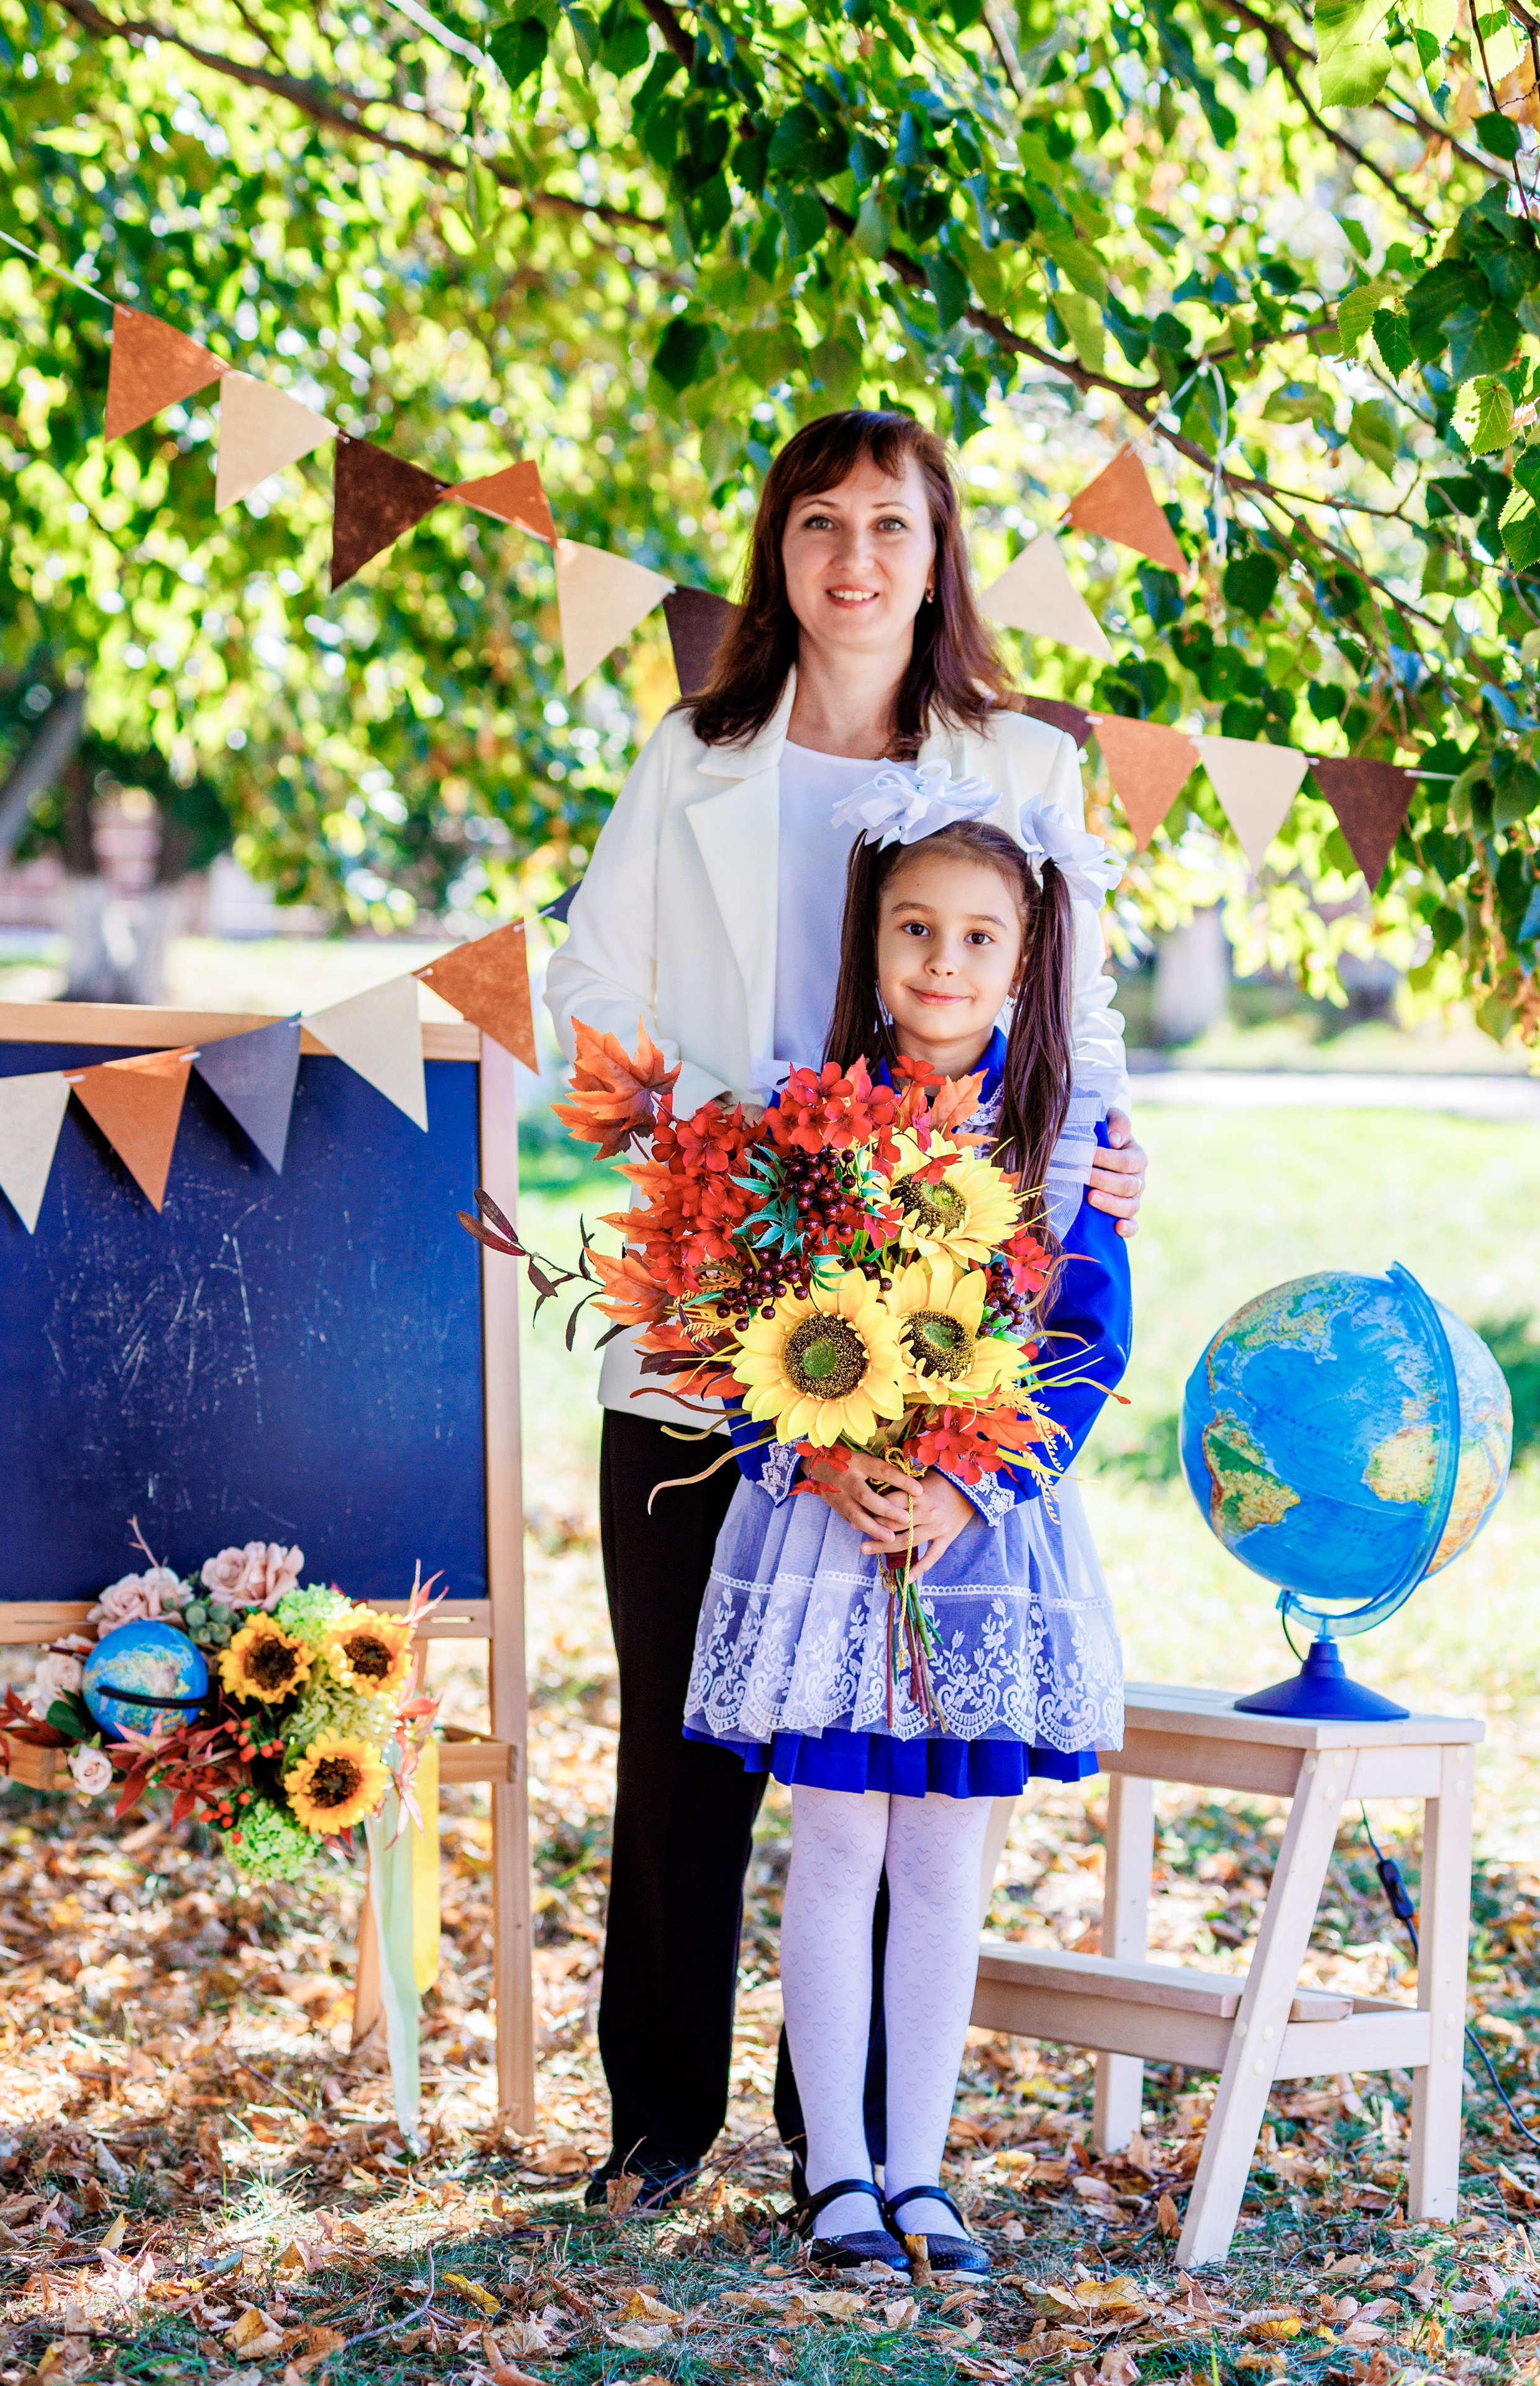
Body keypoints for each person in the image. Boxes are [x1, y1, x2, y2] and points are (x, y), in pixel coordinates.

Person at [544, 408, 1146, 2208]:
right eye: (820, 522)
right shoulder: (695, 757)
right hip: (717, 1307)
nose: (856, 557)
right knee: (685, 1729)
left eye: (892, 523)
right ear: (777, 552)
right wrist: (717, 1168)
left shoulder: (1017, 761)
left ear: (938, 552)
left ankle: (858, 2147)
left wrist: (1101, 1166)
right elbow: (589, 992)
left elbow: (1078, 1022)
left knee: (887, 1745)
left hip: (938, 1322)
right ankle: (659, 2122)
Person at [683, 796, 1130, 2274]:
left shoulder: (1067, 1140)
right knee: (833, 1841)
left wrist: (965, 1489)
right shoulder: (794, 1123)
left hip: (978, 1540)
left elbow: (1087, 1341)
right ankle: (833, 2177)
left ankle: (921, 2172)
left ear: (1025, 961)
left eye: (979, 938)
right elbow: (732, 1325)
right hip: (830, 1528)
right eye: (915, 929)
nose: (944, 961)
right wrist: (822, 1463)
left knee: (943, 1857)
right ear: (871, 943)